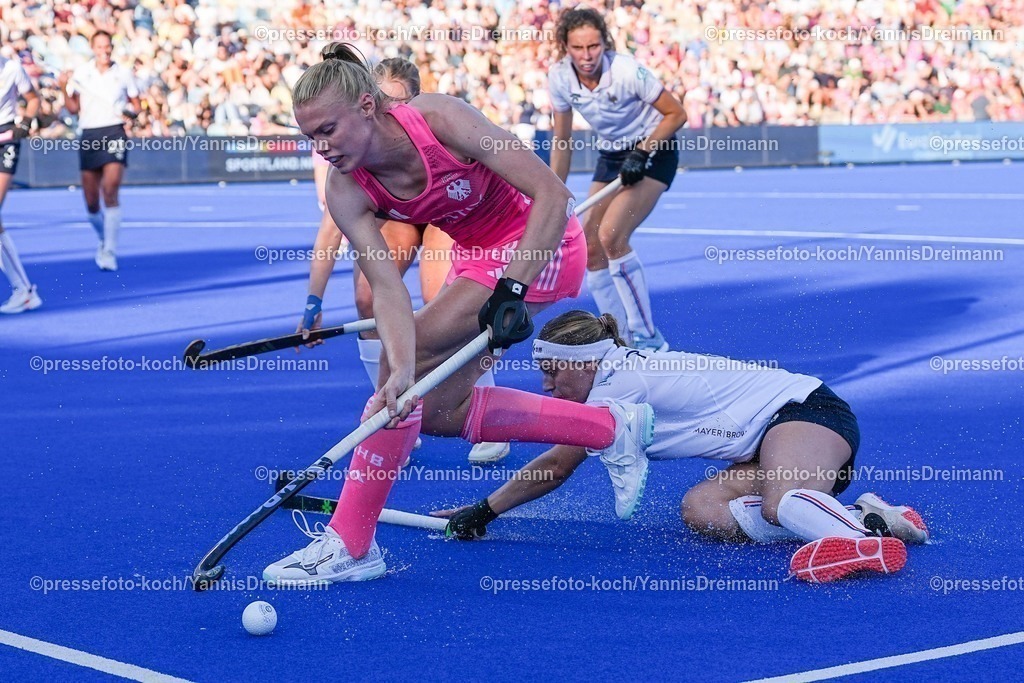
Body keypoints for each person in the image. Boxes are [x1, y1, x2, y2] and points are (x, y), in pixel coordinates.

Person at [262, 44, 655, 586]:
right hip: (477, 255)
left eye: (328, 130)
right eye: (311, 138)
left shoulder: (442, 119)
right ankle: (608, 425)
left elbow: (551, 192)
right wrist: (400, 368)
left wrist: (512, 288)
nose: (321, 148)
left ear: (368, 107)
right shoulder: (345, 189)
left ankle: (352, 540)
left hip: (538, 242)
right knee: (439, 409)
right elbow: (386, 289)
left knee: (413, 365)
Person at [436, 310, 929, 584]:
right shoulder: (609, 380)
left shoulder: (618, 386)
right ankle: (864, 517)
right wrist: (484, 511)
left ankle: (862, 543)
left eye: (553, 371)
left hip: (807, 412)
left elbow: (557, 464)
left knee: (779, 505)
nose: (546, 386)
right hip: (767, 445)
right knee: (702, 509)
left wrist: (484, 511)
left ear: (585, 363)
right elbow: (557, 460)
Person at [300, 57, 511, 465]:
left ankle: (485, 410)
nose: (386, 111)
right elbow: (331, 233)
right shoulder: (353, 163)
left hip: (450, 215)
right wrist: (314, 301)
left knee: (443, 305)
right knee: (366, 295)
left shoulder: (434, 125)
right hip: (401, 217)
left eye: (395, 102)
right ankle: (391, 407)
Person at [548, 8, 686, 351]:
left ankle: (650, 339)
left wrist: (642, 151)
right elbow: (562, 142)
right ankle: (621, 342)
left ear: (604, 43)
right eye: (577, 48)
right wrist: (552, 193)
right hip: (611, 157)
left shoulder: (625, 70)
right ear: (565, 46)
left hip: (654, 151)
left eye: (593, 46)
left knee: (611, 236)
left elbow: (676, 113)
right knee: (590, 246)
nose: (586, 56)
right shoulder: (559, 77)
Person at [59, 31, 140, 272]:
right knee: (92, 202)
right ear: (93, 48)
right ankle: (104, 238)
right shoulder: (82, 73)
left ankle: (110, 251)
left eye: (108, 46)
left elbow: (136, 106)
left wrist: (130, 113)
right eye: (100, 46)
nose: (104, 51)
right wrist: (64, 88)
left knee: (110, 189)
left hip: (115, 132)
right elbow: (73, 108)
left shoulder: (123, 73)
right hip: (90, 134)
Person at [0, 52, 41, 314]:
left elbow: (33, 98)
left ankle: (24, 290)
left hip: (5, 141)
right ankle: (22, 289)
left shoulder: (12, 68)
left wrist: (24, 123)